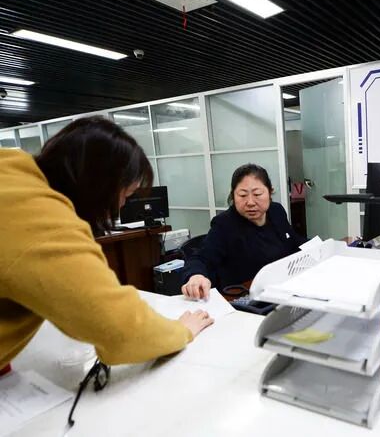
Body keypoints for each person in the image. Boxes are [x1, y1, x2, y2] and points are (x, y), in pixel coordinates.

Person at [0, 116, 213, 372]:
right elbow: (121, 330)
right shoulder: (43, 222)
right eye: (126, 195)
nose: (121, 206)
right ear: (99, 187)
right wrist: (181, 331)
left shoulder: (10, 168)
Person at [181, 164, 306, 300]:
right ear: (233, 196)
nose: (250, 202)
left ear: (270, 192)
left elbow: (294, 241)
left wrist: (318, 248)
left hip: (281, 287)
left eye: (257, 194)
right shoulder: (225, 224)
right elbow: (201, 257)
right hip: (244, 297)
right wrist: (196, 276)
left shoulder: (276, 211)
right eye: (242, 195)